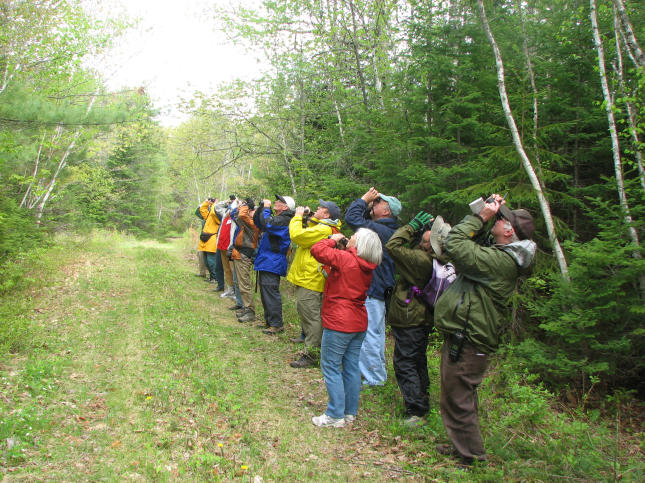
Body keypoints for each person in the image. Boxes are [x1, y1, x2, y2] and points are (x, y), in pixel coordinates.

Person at [434, 195, 536, 465]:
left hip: (470, 338)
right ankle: (462, 446)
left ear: (509, 230)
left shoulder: (502, 263)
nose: (498, 219)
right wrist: (484, 214)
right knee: (455, 395)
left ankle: (473, 458)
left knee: (458, 398)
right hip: (466, 334)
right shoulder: (499, 254)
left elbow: (456, 243)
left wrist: (481, 218)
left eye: (501, 219)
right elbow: (466, 245)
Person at [309, 229, 382, 427]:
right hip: (358, 321)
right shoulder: (366, 265)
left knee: (331, 366)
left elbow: (316, 249)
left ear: (360, 244)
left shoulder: (345, 260)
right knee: (350, 367)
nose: (350, 237)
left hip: (340, 321)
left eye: (354, 237)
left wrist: (331, 240)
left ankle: (334, 415)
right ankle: (349, 412)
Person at [345, 187, 401, 386]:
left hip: (375, 288)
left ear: (386, 211)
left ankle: (375, 378)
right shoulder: (388, 230)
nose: (373, 204)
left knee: (370, 334)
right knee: (373, 332)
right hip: (380, 287)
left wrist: (363, 199)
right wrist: (368, 206)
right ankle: (371, 374)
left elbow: (351, 218)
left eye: (377, 203)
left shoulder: (381, 230)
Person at [385, 211, 436, 426]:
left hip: (411, 317)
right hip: (422, 317)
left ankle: (415, 409)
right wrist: (420, 234)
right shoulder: (435, 256)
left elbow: (393, 246)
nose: (426, 234)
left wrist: (412, 226)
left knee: (405, 362)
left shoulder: (421, 260)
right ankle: (422, 399)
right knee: (417, 360)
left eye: (428, 236)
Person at [286, 200, 342, 368]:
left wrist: (297, 217)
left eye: (321, 208)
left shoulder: (324, 229)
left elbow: (297, 236)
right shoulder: (322, 226)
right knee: (309, 314)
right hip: (309, 277)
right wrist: (309, 216)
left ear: (327, 215)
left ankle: (311, 355)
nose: (317, 209)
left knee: (312, 317)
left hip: (311, 279)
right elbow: (310, 228)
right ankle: (312, 346)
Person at [253, 195, 296, 333]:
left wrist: (266, 209)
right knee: (266, 292)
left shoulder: (285, 219)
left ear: (286, 207)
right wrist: (261, 209)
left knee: (271, 292)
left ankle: (276, 324)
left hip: (273, 260)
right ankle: (270, 321)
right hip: (267, 259)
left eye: (280, 201)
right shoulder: (279, 218)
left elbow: (268, 224)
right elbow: (260, 223)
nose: (276, 202)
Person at [230, 198, 260, 323]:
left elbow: (242, 215)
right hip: (239, 253)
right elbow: (236, 215)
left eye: (253, 211)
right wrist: (241, 206)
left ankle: (250, 311)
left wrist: (246, 206)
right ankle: (245, 308)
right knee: (241, 284)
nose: (250, 212)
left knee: (244, 285)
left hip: (244, 255)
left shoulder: (254, 225)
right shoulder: (247, 223)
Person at [197, 197, 224, 290]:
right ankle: (212, 277)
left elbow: (213, 212)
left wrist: (215, 205)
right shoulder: (209, 215)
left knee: (211, 261)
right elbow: (202, 210)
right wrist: (207, 202)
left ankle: (215, 277)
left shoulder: (217, 214)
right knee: (206, 260)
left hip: (212, 238)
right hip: (205, 238)